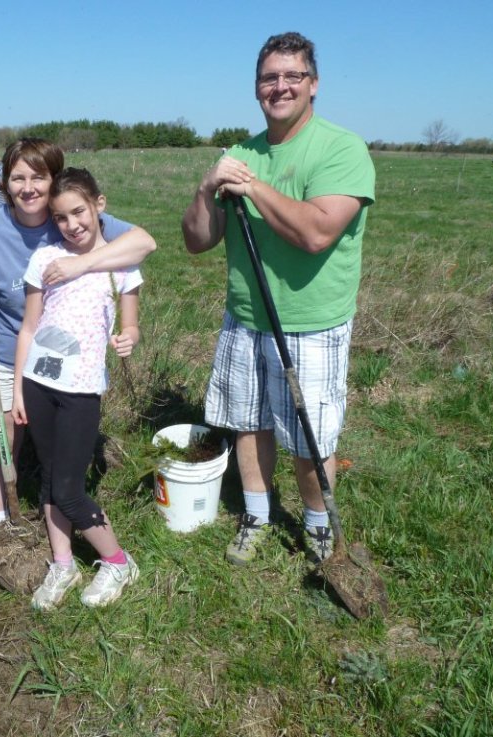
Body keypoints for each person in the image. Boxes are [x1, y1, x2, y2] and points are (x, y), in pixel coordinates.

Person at [181, 31, 375, 567]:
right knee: (249, 421)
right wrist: (206, 188)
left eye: (293, 76)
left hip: (310, 322)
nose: (280, 86)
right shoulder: (240, 153)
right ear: (256, 88)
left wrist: (254, 189)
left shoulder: (342, 148)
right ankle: (257, 513)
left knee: (308, 436)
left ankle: (317, 525)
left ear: (313, 85)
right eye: (270, 78)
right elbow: (197, 241)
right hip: (245, 317)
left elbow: (316, 233)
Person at [0, 138, 155, 561]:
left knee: (53, 453)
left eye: (38, 176)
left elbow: (144, 243)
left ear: (53, 179)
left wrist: (81, 264)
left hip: (64, 363)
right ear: (4, 183)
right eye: (17, 178)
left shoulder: (71, 216)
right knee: (4, 438)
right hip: (5, 348)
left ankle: (59, 507)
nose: (28, 187)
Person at [13, 168, 144, 609]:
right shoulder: (46, 260)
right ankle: (63, 563)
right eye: (61, 217)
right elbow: (29, 328)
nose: (72, 225)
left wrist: (128, 337)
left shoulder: (121, 264)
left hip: (81, 389)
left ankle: (118, 561)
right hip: (37, 383)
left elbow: (131, 323)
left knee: (69, 486)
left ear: (98, 205)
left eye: (79, 212)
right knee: (50, 478)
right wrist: (17, 389)